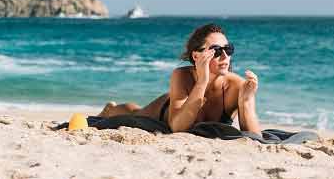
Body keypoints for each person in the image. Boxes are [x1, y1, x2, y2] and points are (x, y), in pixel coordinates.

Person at [96, 23, 261, 133]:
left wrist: (245, 101)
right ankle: (110, 109)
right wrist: (202, 82)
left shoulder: (237, 85)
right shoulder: (182, 75)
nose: (224, 55)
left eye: (228, 49)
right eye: (216, 50)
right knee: (135, 113)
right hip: (166, 109)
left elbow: (254, 138)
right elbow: (176, 128)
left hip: (184, 102)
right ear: (196, 56)